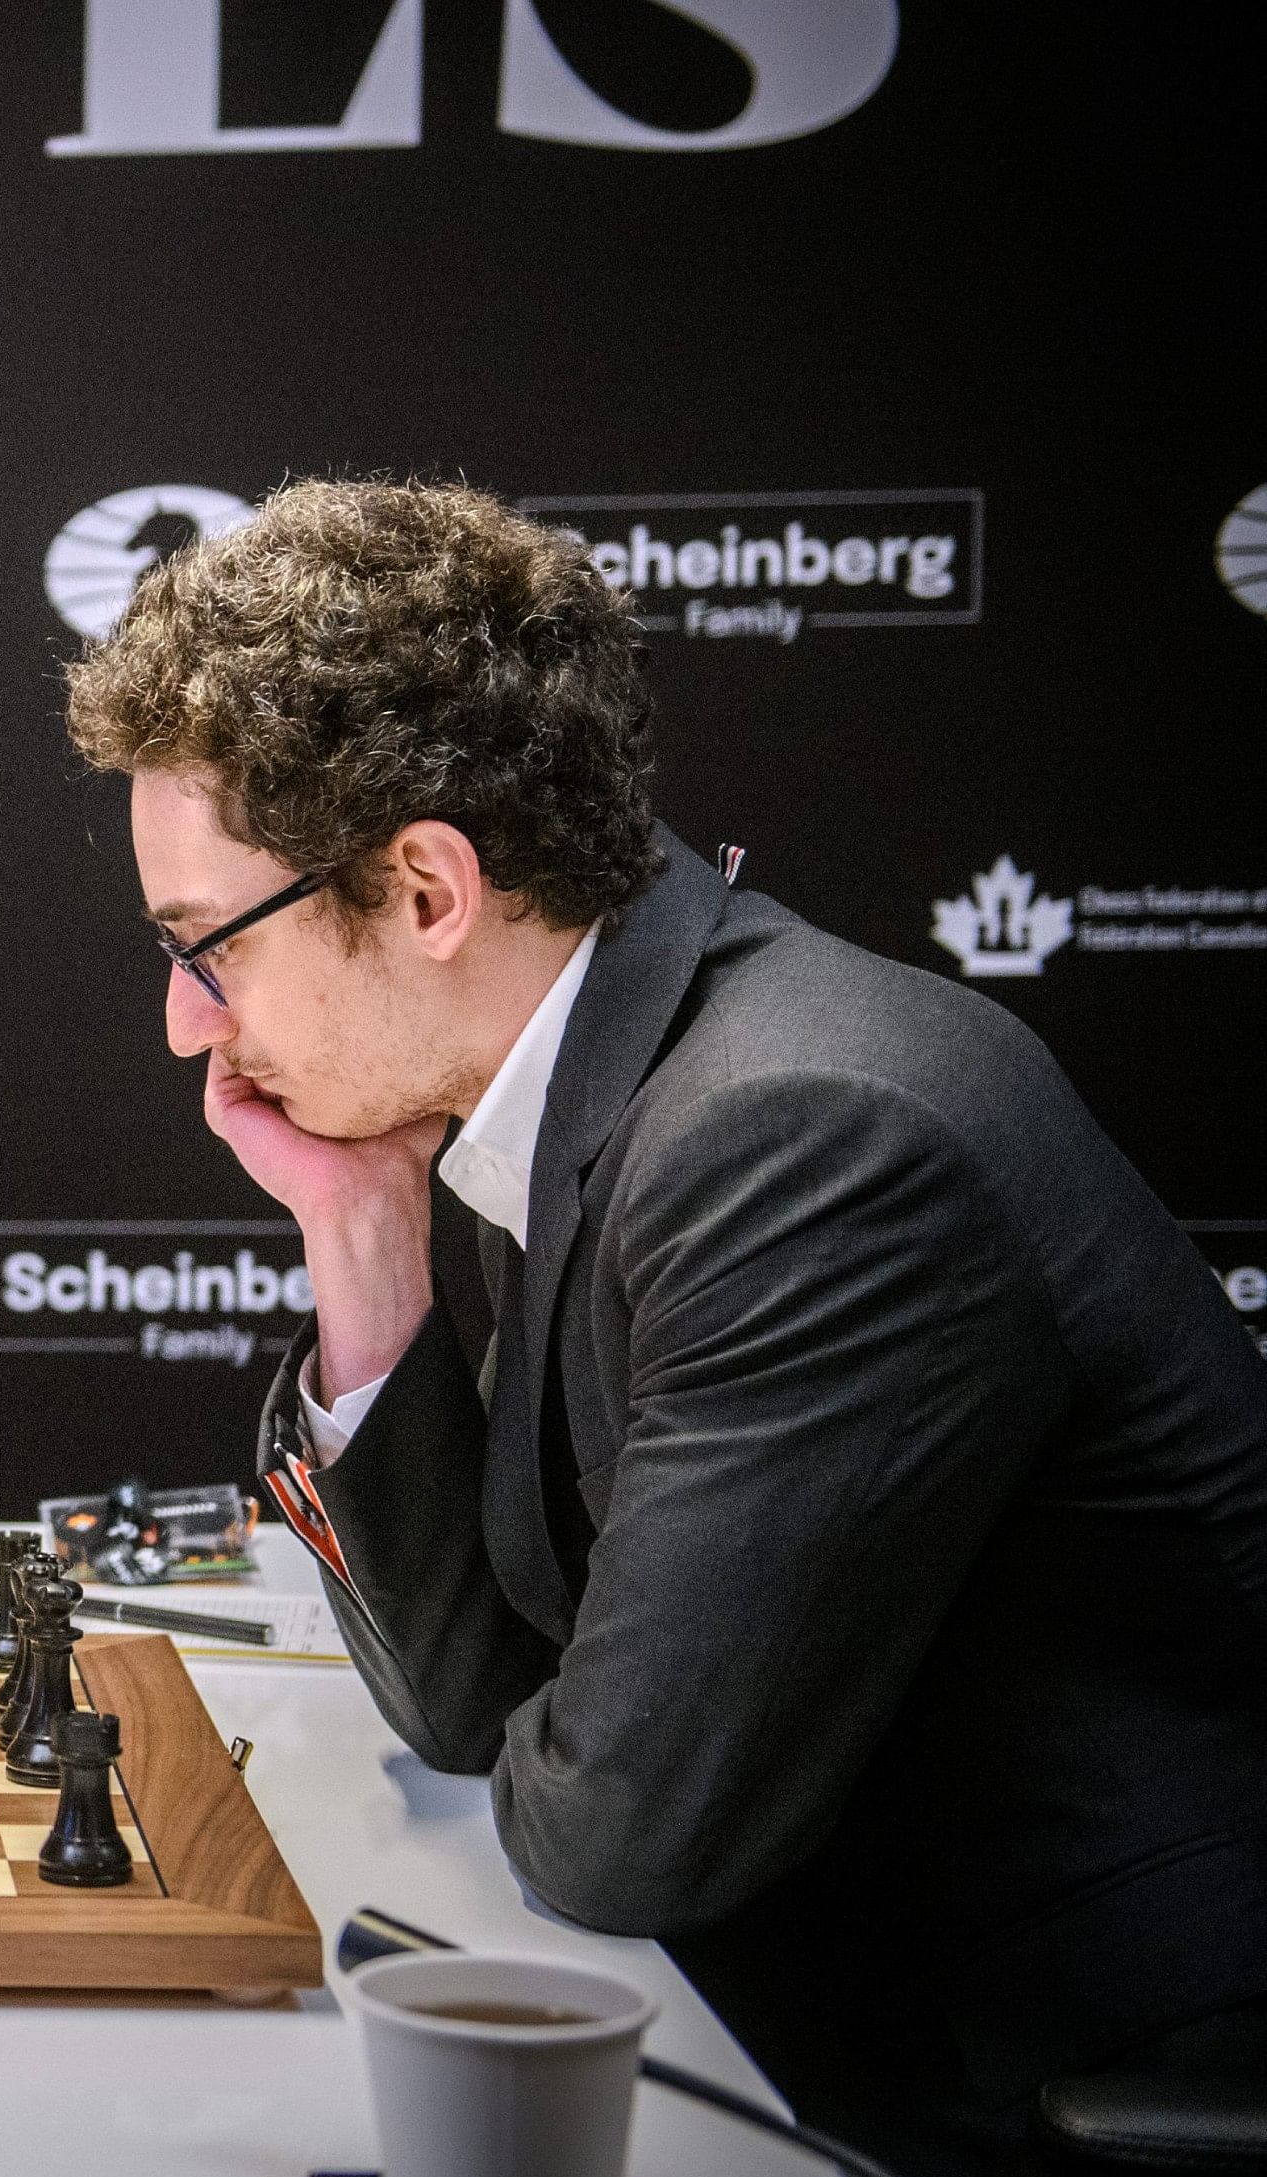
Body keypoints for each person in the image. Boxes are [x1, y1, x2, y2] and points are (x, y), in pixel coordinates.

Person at [65, 479, 1267, 2172]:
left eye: (208, 947)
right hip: (829, 2002)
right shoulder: (599, 1083)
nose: (189, 1027)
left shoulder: (794, 1138)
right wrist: (362, 1233)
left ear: (424, 889)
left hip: (1035, 2069)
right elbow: (489, 1707)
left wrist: (578, 1725)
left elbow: (621, 1828)